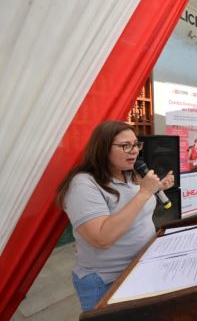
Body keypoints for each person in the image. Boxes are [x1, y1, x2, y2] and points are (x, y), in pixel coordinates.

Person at [57, 121, 175, 311]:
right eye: (125, 145)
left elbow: (134, 207)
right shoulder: (83, 185)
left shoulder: (130, 173)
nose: (134, 151)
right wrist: (144, 193)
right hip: (106, 281)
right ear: (102, 148)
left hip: (141, 268)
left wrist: (158, 187)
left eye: (136, 144)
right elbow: (101, 237)